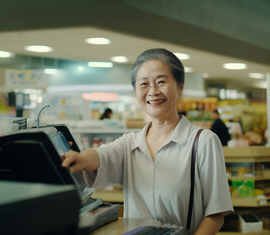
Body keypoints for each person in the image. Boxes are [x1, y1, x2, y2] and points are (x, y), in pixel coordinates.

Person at [62, 48, 233, 233]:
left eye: (161, 82)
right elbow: (99, 156)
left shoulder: (203, 142)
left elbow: (216, 215)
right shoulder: (130, 144)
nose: (153, 91)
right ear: (135, 91)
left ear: (180, 86)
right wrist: (79, 158)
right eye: (143, 84)